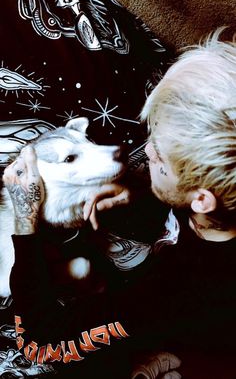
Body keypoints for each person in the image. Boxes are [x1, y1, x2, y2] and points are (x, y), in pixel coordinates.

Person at [3, 29, 236, 377]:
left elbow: (42, 344)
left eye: (159, 161)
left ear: (202, 199)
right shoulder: (215, 207)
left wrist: (25, 223)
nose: (147, 151)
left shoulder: (176, 291)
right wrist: (143, 193)